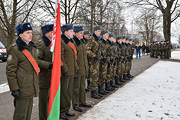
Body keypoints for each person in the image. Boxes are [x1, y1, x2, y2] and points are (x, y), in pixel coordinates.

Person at [6, 22, 39, 120]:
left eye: (31, 32)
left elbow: (35, 64)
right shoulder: (15, 49)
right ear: (20, 35)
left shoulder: (32, 48)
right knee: (20, 116)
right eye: (27, 32)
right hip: (21, 88)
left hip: (30, 86)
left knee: (27, 114)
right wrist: (14, 88)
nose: (30, 35)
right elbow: (10, 71)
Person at [60, 24, 79, 120]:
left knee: (68, 92)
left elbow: (74, 58)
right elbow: (61, 57)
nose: (73, 33)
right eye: (71, 31)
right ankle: (61, 111)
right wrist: (65, 70)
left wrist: (76, 69)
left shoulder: (71, 42)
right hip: (65, 72)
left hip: (72, 71)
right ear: (65, 32)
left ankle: (67, 110)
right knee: (64, 93)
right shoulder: (61, 42)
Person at [36, 24, 53, 120]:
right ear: (46, 33)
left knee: (51, 101)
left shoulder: (53, 43)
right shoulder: (41, 44)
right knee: (43, 102)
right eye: (52, 32)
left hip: (53, 78)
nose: (53, 33)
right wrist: (49, 65)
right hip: (44, 78)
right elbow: (36, 60)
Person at [72, 25, 91, 113]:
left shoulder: (82, 43)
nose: (82, 35)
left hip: (83, 68)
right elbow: (74, 58)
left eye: (82, 33)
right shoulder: (74, 43)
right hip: (77, 69)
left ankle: (82, 102)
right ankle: (76, 104)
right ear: (75, 33)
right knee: (76, 88)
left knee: (82, 87)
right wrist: (76, 68)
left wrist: (86, 67)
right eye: (80, 33)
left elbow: (84, 57)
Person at [86, 25, 102, 99]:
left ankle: (95, 91)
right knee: (93, 76)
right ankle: (93, 92)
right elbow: (87, 50)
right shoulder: (91, 39)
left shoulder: (98, 39)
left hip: (97, 61)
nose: (99, 33)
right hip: (92, 61)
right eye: (98, 31)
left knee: (96, 76)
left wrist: (99, 57)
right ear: (95, 31)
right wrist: (94, 56)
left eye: (100, 31)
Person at [98, 30, 111, 95]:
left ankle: (102, 88)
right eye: (106, 34)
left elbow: (108, 52)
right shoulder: (100, 42)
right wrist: (102, 58)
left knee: (104, 75)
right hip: (101, 61)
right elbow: (98, 51)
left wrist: (107, 59)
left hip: (105, 61)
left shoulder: (106, 42)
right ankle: (100, 89)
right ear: (103, 35)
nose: (108, 35)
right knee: (101, 75)